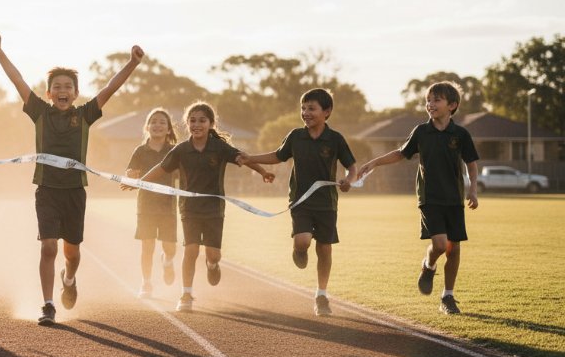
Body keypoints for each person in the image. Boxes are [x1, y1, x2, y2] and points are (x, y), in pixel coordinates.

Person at [0, 32, 144, 326]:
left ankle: (69, 279)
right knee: (49, 247)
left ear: (75, 93)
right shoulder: (39, 113)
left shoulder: (85, 115)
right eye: (56, 87)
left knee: (72, 253)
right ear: (49, 94)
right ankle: (48, 305)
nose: (62, 90)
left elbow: (111, 87)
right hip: (47, 190)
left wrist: (132, 63)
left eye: (68, 87)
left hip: (75, 192)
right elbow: (17, 80)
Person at [136, 102, 274, 312]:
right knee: (190, 250)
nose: (197, 124)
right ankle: (186, 294)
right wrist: (141, 182)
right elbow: (161, 168)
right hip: (189, 209)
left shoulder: (218, 147)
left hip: (214, 210)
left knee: (213, 254)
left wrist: (263, 172)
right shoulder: (181, 149)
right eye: (192, 120)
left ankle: (212, 265)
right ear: (187, 124)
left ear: (211, 124)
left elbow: (243, 158)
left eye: (202, 120)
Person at [357, 81, 479, 314]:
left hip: (454, 198)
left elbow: (471, 163)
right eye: (428, 100)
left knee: (454, 249)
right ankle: (429, 265)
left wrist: (473, 189)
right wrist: (374, 162)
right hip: (430, 197)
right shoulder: (421, 132)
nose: (430, 104)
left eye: (437, 100)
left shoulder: (461, 134)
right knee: (440, 244)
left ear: (452, 105)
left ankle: (448, 297)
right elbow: (401, 154)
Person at [237, 88, 357, 316]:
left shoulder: (335, 139)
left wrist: (349, 180)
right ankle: (299, 250)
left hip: (327, 204)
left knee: (324, 248)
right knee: (303, 241)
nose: (305, 113)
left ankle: (321, 295)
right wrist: (251, 158)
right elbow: (278, 155)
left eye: (311, 108)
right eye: (303, 108)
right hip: (300, 201)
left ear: (327, 111)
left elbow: (352, 166)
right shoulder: (295, 136)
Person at [124, 108, 179, 299]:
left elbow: (182, 174)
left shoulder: (174, 150)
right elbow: (130, 173)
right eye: (153, 121)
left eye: (162, 122)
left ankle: (168, 261)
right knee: (147, 247)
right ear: (147, 127)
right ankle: (146, 283)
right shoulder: (140, 151)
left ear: (169, 129)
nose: (157, 125)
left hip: (168, 206)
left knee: (169, 247)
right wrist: (130, 176)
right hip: (146, 206)